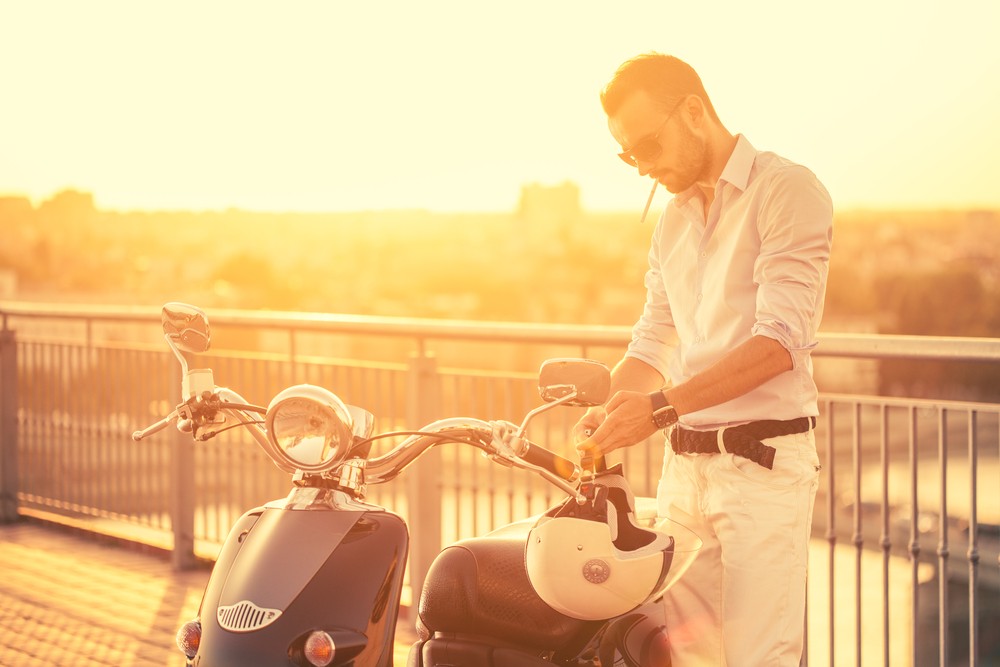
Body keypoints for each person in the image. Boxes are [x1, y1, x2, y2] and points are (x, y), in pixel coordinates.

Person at [574, 52, 833, 666]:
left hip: (762, 467)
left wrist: (658, 409)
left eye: (646, 144)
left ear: (693, 112)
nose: (640, 166)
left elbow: (778, 346)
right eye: (626, 155)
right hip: (683, 469)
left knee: (757, 657)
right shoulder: (672, 219)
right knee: (686, 658)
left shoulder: (786, 189)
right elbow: (654, 338)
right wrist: (612, 414)